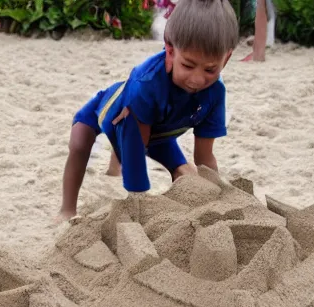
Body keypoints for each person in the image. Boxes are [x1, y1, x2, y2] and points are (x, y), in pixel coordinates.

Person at [57, 0, 239, 221]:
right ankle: (67, 208)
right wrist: (139, 202)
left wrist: (215, 196)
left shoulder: (215, 93)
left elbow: (205, 156)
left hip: (160, 131)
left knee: (186, 174)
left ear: (226, 58)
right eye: (188, 66)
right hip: (116, 114)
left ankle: (117, 160)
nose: (197, 79)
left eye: (210, 69)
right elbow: (135, 152)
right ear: (170, 50)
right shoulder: (146, 83)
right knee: (80, 140)